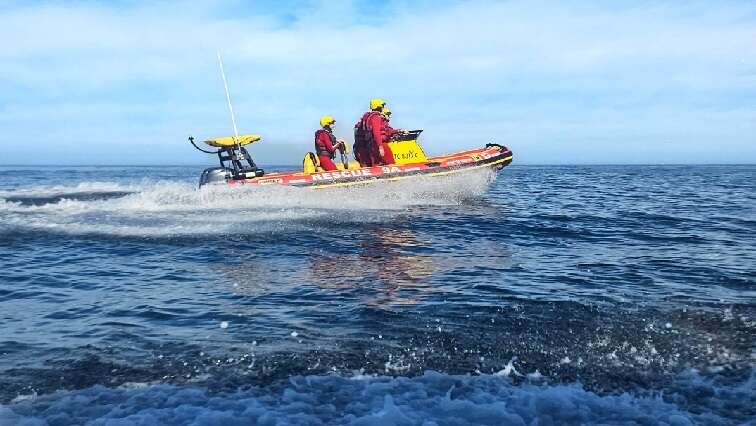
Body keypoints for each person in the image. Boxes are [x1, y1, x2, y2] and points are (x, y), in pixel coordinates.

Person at [354, 98, 394, 166]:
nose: (383, 107)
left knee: (377, 163)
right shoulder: (376, 117)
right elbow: (376, 133)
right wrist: (380, 146)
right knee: (390, 162)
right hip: (378, 143)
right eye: (382, 106)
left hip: (371, 144)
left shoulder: (370, 117)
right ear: (379, 106)